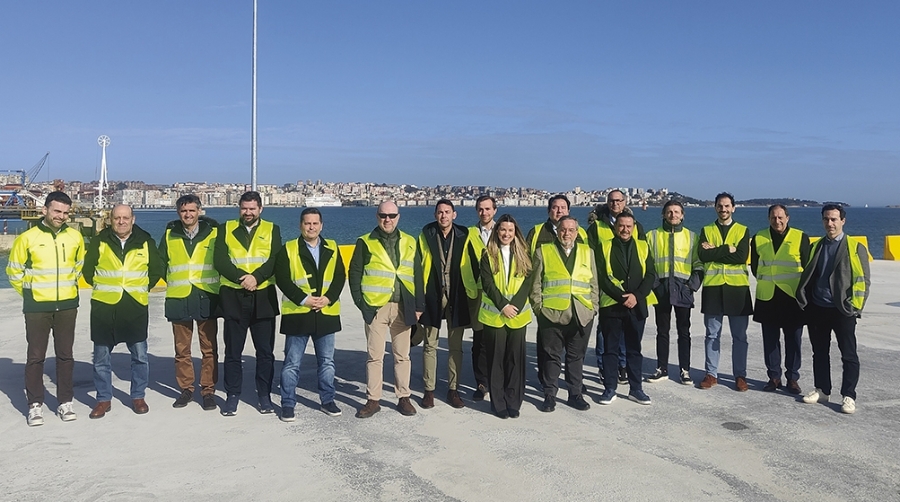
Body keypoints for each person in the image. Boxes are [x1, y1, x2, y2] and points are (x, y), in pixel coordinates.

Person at [7, 191, 85, 426]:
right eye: (57, 211)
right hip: (37, 307)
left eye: (65, 212)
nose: (61, 216)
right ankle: (35, 405)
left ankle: (65, 402)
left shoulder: (75, 237)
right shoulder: (27, 238)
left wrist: (68, 289)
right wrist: (31, 295)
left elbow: (78, 266)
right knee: (35, 357)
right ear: (45, 210)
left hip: (67, 305)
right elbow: (14, 271)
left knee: (65, 356)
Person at [83, 204, 164, 418]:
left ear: (133, 219)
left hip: (134, 306)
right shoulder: (100, 241)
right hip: (104, 307)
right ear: (111, 220)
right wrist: (106, 289)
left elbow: (156, 270)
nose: (121, 221)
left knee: (140, 356)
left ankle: (138, 396)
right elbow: (88, 270)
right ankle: (103, 399)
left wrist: (140, 290)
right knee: (101, 358)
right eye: (117, 218)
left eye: (125, 217)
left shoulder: (145, 241)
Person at [349, 201, 424, 418]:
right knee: (375, 356)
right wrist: (362, 304)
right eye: (383, 215)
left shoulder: (410, 241)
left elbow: (417, 274)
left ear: (398, 217)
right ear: (377, 216)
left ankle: (404, 397)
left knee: (403, 355)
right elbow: (354, 274)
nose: (387, 219)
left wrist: (419, 306)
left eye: (391, 215)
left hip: (404, 306)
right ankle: (373, 400)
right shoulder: (365, 242)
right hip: (376, 307)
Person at [796, 204, 870, 414]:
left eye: (834, 219)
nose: (830, 223)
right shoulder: (817, 246)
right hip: (818, 307)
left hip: (842, 310)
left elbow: (863, 280)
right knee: (819, 352)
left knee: (848, 354)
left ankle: (849, 395)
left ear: (842, 221)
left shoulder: (855, 247)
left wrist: (854, 307)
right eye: (826, 219)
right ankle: (822, 389)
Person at [214, 191, 282, 416]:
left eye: (252, 208)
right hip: (234, 296)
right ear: (239, 208)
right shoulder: (225, 229)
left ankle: (264, 395)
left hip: (263, 298)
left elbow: (275, 259)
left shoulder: (273, 229)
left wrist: (257, 278)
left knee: (265, 352)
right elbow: (220, 260)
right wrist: (242, 278)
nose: (248, 212)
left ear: (261, 209)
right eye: (244, 208)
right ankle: (232, 395)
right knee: (233, 351)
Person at [275, 208, 345, 422]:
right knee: (292, 362)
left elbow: (340, 276)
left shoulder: (331, 247)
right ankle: (287, 403)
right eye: (307, 223)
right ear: (300, 226)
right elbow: (283, 279)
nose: (311, 227)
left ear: (321, 226)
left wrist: (328, 298)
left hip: (326, 313)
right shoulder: (288, 249)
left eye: (315, 223)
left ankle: (327, 400)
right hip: (298, 314)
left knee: (327, 362)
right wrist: (305, 299)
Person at [530, 216, 599, 412]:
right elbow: (535, 284)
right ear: (557, 231)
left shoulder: (588, 252)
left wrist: (593, 308)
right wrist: (539, 309)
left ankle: (575, 394)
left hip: (581, 314)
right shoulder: (543, 252)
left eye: (571, 230)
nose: (566, 233)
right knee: (552, 357)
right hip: (551, 314)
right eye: (563, 229)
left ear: (577, 233)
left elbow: (594, 284)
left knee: (576, 357)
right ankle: (549, 395)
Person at [159, 194, 220, 411]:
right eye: (184, 211)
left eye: (192, 210)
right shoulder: (169, 235)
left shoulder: (214, 233)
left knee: (209, 349)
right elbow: (161, 264)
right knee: (182, 350)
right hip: (179, 298)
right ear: (178, 213)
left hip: (207, 297)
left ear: (199, 212)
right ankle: (186, 389)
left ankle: (208, 390)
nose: (188, 214)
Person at [596, 212, 657, 405]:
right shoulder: (604, 246)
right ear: (615, 227)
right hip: (612, 307)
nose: (625, 229)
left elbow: (650, 275)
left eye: (629, 226)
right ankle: (610, 388)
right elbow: (602, 277)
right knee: (610, 350)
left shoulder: (643, 246)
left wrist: (636, 297)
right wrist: (622, 297)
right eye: (621, 226)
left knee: (634, 350)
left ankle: (636, 389)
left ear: (634, 227)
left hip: (636, 307)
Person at [416, 199, 471, 409]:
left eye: (447, 212)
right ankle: (428, 391)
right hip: (432, 294)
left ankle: (453, 390)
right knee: (430, 344)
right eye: (440, 212)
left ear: (454, 215)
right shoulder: (426, 234)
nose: (444, 216)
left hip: (457, 294)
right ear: (435, 214)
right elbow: (419, 266)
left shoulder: (464, 235)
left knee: (455, 346)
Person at [587, 190, 646, 384]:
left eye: (619, 200)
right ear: (607, 202)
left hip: (631, 292)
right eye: (611, 201)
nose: (615, 204)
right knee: (605, 333)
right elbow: (592, 257)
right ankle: (605, 367)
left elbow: (643, 258)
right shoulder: (597, 226)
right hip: (607, 290)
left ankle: (622, 366)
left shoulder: (636, 225)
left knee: (626, 333)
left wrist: (636, 293)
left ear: (625, 201)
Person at [750, 204, 810, 395]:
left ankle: (792, 378)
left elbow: (808, 268)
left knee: (793, 340)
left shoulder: (800, 237)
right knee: (770, 340)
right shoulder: (759, 237)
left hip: (792, 296)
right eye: (774, 217)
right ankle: (774, 377)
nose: (777, 221)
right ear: (768, 219)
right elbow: (755, 266)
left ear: (788, 218)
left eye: (781, 217)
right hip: (768, 295)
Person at [478, 214, 534, 418]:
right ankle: (498, 403)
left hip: (517, 317)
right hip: (495, 316)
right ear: (497, 231)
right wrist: (503, 306)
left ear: (515, 232)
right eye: (503, 230)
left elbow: (528, 282)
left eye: (510, 230)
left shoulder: (524, 254)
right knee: (496, 362)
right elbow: (487, 284)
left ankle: (514, 401)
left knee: (515, 361)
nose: (506, 234)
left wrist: (515, 306)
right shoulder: (488, 254)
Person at [697, 192, 753, 391]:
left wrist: (716, 250)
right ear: (715, 208)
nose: (724, 209)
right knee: (712, 335)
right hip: (713, 288)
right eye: (720, 206)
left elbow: (741, 256)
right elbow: (703, 255)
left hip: (737, 290)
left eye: (727, 206)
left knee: (740, 337)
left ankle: (740, 376)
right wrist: (726, 249)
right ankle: (711, 374)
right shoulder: (706, 229)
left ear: (733, 208)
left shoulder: (742, 230)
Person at [645, 199, 702, 385]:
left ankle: (685, 370)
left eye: (677, 212)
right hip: (661, 289)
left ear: (682, 215)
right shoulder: (652, 236)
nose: (673, 215)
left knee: (684, 332)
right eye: (669, 212)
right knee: (662, 331)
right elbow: (647, 263)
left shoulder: (692, 237)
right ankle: (662, 369)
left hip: (683, 290)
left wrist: (691, 286)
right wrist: (655, 285)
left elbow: (699, 265)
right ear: (663, 214)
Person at [460, 195, 496, 402]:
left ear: (495, 210)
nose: (484, 213)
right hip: (478, 294)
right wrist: (471, 291)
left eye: (488, 209)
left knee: (497, 341)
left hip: (499, 294)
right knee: (479, 341)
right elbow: (464, 263)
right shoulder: (470, 233)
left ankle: (497, 380)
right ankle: (481, 383)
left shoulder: (505, 230)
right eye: (481, 209)